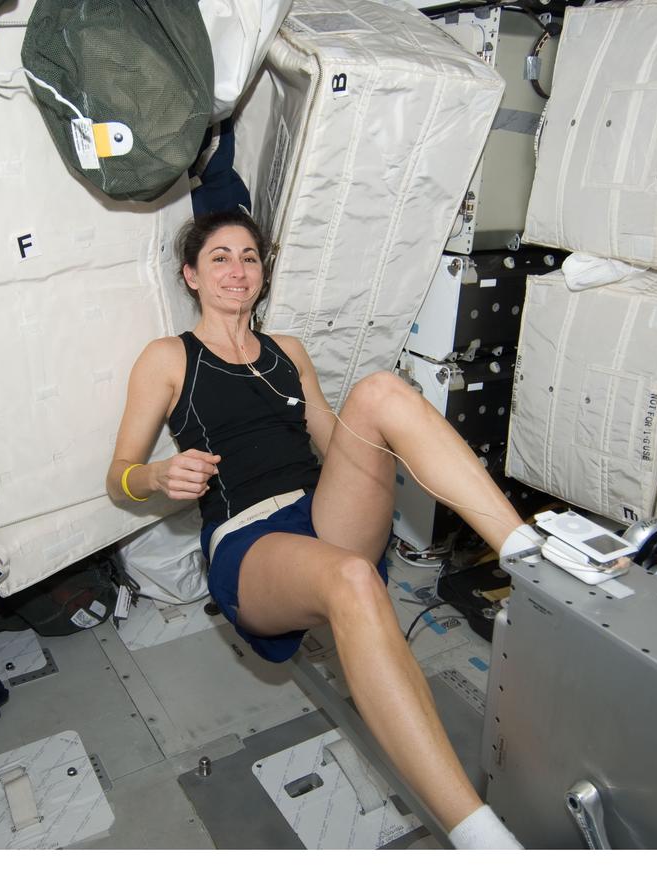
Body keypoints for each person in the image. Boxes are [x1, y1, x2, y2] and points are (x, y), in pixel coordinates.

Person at [107, 211, 542, 850]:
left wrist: (383, 448)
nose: (237, 270)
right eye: (220, 257)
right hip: (250, 539)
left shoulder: (288, 352)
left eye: (249, 257)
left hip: (321, 511)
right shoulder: (169, 358)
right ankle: (482, 839)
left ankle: (529, 555)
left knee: (380, 391)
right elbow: (118, 477)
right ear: (191, 275)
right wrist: (156, 473)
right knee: (353, 578)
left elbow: (336, 443)